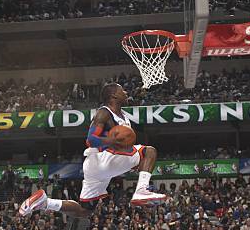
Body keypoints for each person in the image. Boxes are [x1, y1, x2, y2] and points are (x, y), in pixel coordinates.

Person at [19, 82, 166, 218]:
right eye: (122, 90)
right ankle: (141, 190)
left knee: (85, 211)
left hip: (95, 166)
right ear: (114, 95)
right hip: (103, 158)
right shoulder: (104, 112)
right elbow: (91, 139)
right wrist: (111, 141)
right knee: (149, 152)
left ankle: (45, 202)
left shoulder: (123, 116)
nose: (126, 92)